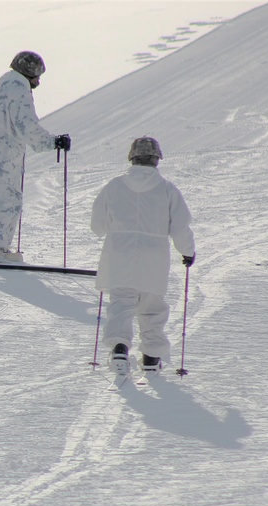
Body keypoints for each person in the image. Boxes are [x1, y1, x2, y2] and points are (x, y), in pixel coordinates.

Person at [91, 137, 195, 376]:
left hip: (119, 255)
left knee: (121, 305)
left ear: (132, 158)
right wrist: (188, 252)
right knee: (151, 308)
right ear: (156, 159)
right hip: (153, 257)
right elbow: (180, 227)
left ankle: (119, 348)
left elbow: (98, 224)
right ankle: (151, 356)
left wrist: (116, 230)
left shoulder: (114, 186)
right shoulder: (167, 189)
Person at [0, 51, 71, 264]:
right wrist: (53, 142)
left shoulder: (7, 86)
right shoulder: (17, 90)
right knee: (7, 201)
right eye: (37, 76)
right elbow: (26, 125)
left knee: (6, 200)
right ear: (28, 73)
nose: (38, 82)